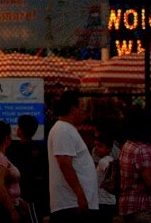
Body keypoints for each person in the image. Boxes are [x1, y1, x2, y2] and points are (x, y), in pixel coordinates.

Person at [47, 92, 99, 221]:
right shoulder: (62, 130)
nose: (83, 111)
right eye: (81, 106)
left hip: (75, 204)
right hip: (70, 204)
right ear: (72, 109)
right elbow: (65, 163)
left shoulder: (68, 129)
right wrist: (80, 194)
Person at [7, 114, 47, 222]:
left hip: (26, 195)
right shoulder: (40, 148)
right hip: (33, 194)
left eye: (18, 127)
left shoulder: (14, 150)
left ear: (21, 131)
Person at [92, 133, 117, 223]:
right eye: (96, 146)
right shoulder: (109, 159)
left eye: (100, 146)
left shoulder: (104, 161)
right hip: (108, 201)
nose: (97, 148)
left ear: (108, 149)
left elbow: (111, 170)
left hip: (103, 202)